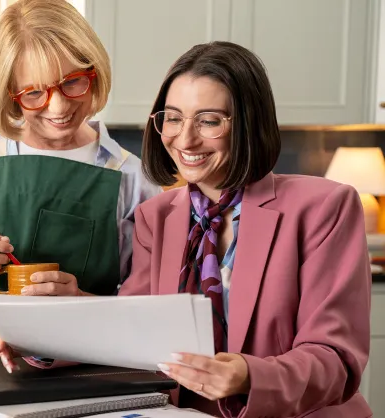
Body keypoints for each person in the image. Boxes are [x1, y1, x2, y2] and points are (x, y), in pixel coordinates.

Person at [117, 41, 370, 416]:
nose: (185, 139)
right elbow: (128, 336)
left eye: (208, 120)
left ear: (248, 123)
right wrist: (37, 342)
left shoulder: (324, 208)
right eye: (173, 118)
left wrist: (251, 375)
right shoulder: (156, 217)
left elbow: (335, 359)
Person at [0, 0, 161, 362]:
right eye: (34, 93)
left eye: (72, 82)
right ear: (9, 94)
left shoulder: (132, 180)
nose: (58, 108)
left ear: (93, 71)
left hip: (78, 371)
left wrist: (79, 302)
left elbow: (145, 313)